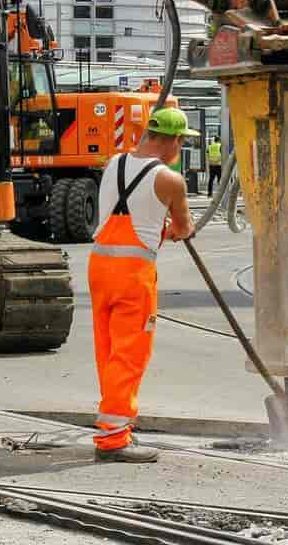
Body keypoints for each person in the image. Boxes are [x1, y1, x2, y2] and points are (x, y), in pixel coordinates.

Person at [89, 107, 196, 463]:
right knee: (130, 353)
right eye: (182, 142)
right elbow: (183, 228)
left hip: (100, 268)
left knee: (107, 349)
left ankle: (112, 423)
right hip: (133, 275)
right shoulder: (170, 180)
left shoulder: (113, 164)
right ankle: (114, 438)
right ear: (173, 141)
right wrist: (175, 227)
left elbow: (131, 211)